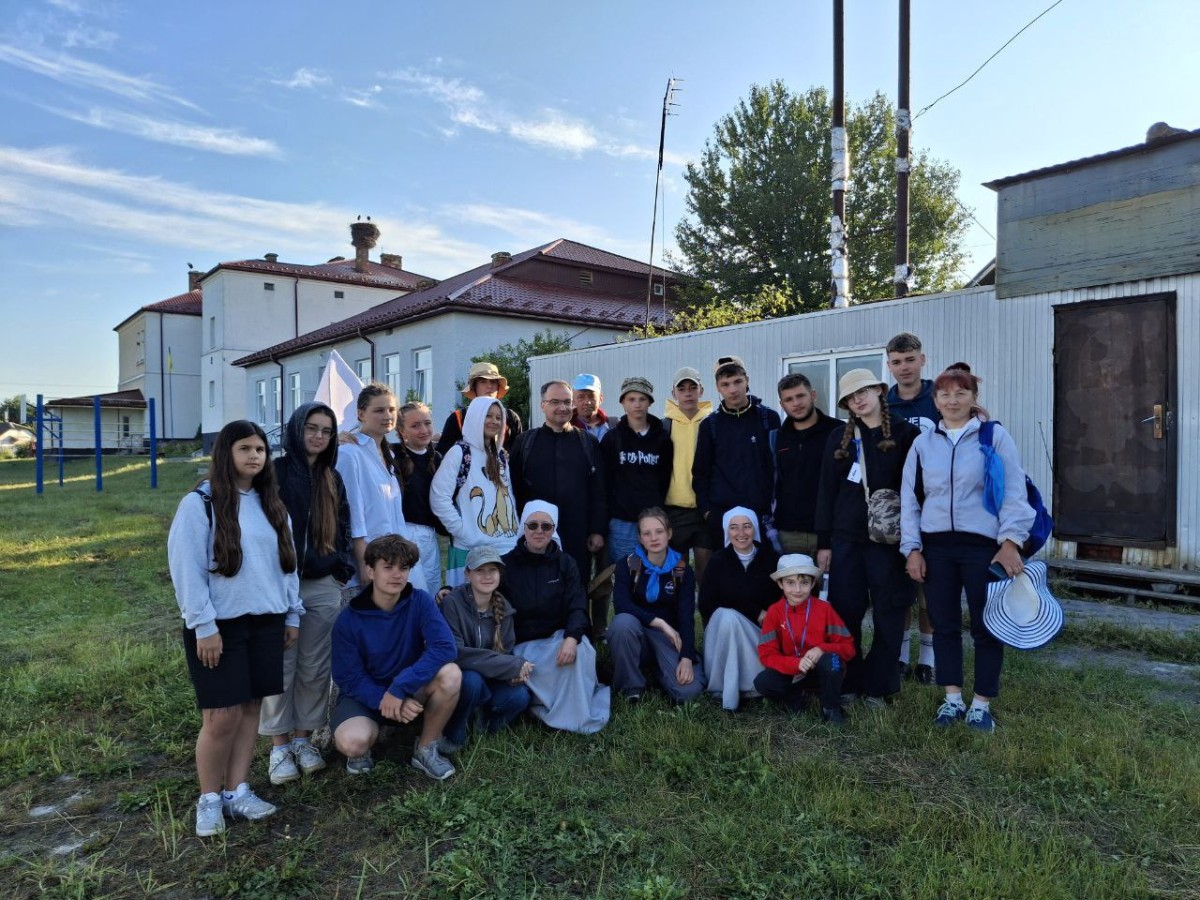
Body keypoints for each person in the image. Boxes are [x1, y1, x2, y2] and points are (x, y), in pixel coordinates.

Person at [167, 420, 303, 837]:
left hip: (266, 620)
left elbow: (288, 564)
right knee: (221, 715)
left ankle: (237, 791)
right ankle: (209, 799)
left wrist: (291, 614)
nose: (254, 456)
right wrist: (203, 625)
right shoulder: (200, 503)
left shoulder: (272, 505)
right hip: (220, 626)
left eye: (260, 449)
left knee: (249, 709)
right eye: (245, 448)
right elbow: (186, 569)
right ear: (225, 453)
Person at [901, 365, 1036, 733]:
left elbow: (1014, 492)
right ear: (935, 401)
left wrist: (1010, 542)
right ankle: (952, 699)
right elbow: (910, 500)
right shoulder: (923, 444)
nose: (953, 400)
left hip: (983, 548)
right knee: (943, 625)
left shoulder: (994, 437)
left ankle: (981, 705)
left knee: (986, 626)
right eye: (945, 394)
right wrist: (912, 549)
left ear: (974, 398)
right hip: (936, 547)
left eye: (961, 393)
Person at [259, 403, 355, 787]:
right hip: (280, 584)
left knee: (316, 666)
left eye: (326, 431)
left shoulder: (332, 477)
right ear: (296, 430)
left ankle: (303, 738)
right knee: (282, 664)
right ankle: (279, 745)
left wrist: (339, 569)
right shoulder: (275, 473)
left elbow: (344, 526)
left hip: (322, 584)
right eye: (311, 428)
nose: (318, 436)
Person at [815, 369, 920, 705]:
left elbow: (918, 491)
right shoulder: (839, 437)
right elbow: (826, 491)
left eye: (862, 391)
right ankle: (848, 680)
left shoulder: (906, 434)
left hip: (888, 544)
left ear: (879, 390)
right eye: (850, 397)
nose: (857, 400)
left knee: (890, 612)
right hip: (846, 540)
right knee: (845, 612)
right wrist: (824, 542)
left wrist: (915, 544)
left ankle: (879, 685)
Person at [330, 534, 461, 780]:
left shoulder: (420, 601)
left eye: (404, 568)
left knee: (451, 674)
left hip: (409, 689)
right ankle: (364, 744)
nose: (397, 575)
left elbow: (444, 647)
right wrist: (385, 697)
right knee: (352, 743)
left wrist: (400, 688)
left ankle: (426, 749)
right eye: (388, 567)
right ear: (371, 571)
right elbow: (347, 676)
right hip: (366, 696)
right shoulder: (348, 619)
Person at [501, 501, 610, 733]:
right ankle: (552, 708)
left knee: (581, 649)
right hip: (522, 645)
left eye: (546, 526)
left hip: (556, 640)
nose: (539, 531)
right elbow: (480, 591)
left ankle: (572, 714)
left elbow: (578, 605)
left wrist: (571, 637)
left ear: (554, 530)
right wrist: (447, 590)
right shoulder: (506, 565)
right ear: (523, 528)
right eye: (532, 525)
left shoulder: (566, 564)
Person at [509, 380, 607, 604]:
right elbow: (514, 491)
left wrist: (597, 530)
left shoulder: (588, 442)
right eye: (555, 402)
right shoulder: (525, 443)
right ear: (542, 405)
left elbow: (599, 491)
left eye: (566, 402)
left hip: (577, 533)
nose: (562, 407)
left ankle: (578, 624)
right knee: (536, 590)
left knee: (577, 589)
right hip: (536, 532)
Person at [608, 507, 706, 703]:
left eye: (659, 531)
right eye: (647, 533)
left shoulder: (681, 570)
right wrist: (658, 622)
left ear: (669, 533)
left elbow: (686, 616)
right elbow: (621, 604)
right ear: (640, 538)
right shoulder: (629, 564)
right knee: (622, 623)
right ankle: (631, 688)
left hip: (668, 639)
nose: (653, 538)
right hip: (637, 635)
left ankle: (661, 669)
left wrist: (686, 657)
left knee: (689, 692)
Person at [335, 382, 426, 592]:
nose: (387, 416)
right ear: (361, 414)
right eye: (379, 410)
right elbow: (352, 513)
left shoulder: (389, 454)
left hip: (396, 556)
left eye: (391, 409)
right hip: (371, 560)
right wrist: (363, 564)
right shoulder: (349, 453)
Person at [440, 547, 534, 749]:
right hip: (461, 676)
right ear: (467, 574)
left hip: (492, 679)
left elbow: (506, 652)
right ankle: (454, 733)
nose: (487, 576)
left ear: (500, 574)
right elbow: (455, 652)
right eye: (479, 570)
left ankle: (484, 726)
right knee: (471, 681)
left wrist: (512, 673)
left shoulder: (504, 608)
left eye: (492, 570)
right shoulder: (451, 603)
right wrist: (511, 665)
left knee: (520, 695)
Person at [885, 332, 939, 684]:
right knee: (899, 590)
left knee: (928, 591)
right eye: (897, 362)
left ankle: (928, 659)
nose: (904, 367)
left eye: (910, 359)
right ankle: (901, 656)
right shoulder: (883, 404)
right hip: (894, 508)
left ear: (922, 360)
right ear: (889, 365)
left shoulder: (940, 399)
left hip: (934, 506)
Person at [692, 355, 782, 551]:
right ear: (718, 387)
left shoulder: (769, 418)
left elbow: (780, 467)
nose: (732, 389)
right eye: (725, 384)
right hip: (723, 517)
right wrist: (708, 512)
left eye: (737, 381)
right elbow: (700, 473)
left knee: (764, 569)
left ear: (746, 380)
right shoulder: (710, 425)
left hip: (763, 517)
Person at [430, 396, 520, 586]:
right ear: (475, 417)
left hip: (506, 548)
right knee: (471, 602)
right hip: (472, 550)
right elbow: (439, 496)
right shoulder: (460, 453)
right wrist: (462, 531)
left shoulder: (499, 456)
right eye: (488, 415)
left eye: (498, 417)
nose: (494, 421)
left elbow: (508, 497)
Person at [755, 554, 855, 724]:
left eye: (804, 582)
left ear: (813, 583)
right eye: (790, 583)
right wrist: (795, 664)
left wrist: (822, 649)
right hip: (792, 672)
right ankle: (796, 700)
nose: (797, 589)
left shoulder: (824, 609)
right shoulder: (774, 612)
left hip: (820, 671)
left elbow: (848, 648)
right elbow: (766, 655)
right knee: (762, 682)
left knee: (833, 662)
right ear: (780, 584)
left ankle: (831, 708)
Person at [699, 507, 779, 710]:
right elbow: (707, 605)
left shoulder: (770, 559)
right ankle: (723, 686)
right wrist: (754, 611)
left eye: (747, 526)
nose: (741, 533)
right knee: (727, 617)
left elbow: (780, 601)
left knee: (729, 616)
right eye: (734, 527)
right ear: (727, 531)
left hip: (758, 634)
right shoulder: (718, 560)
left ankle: (749, 685)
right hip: (723, 632)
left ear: (755, 529)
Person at [600, 376, 673, 564]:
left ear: (650, 402)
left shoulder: (662, 439)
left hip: (653, 520)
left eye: (642, 399)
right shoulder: (612, 439)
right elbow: (604, 481)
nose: (637, 404)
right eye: (631, 399)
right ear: (623, 403)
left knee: (653, 570)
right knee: (625, 570)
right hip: (622, 521)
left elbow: (665, 479)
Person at [772, 373, 840, 557]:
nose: (796, 403)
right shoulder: (777, 438)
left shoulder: (838, 432)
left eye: (800, 396)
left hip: (833, 533)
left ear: (813, 395)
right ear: (782, 404)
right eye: (789, 399)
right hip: (790, 534)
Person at [662, 366, 715, 582]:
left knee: (706, 574)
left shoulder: (713, 423)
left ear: (701, 390)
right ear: (673, 393)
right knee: (678, 576)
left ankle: (706, 606)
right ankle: (679, 605)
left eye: (693, 387)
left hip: (706, 510)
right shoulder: (664, 426)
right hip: (675, 511)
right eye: (681, 388)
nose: (688, 393)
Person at [395, 401, 444, 593]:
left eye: (427, 423)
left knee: (432, 590)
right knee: (412, 591)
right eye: (415, 426)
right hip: (404, 532)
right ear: (402, 431)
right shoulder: (392, 455)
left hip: (429, 535)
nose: (423, 430)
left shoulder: (437, 458)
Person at [435, 361, 523, 455]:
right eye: (483, 382)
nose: (489, 386)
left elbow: (520, 455)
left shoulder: (511, 418)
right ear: (474, 387)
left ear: (498, 387)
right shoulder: (458, 418)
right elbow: (443, 454)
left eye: (493, 382)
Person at [570, 373, 610, 440]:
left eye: (591, 396)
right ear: (573, 400)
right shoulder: (564, 429)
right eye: (581, 397)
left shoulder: (614, 426)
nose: (587, 402)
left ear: (601, 398)